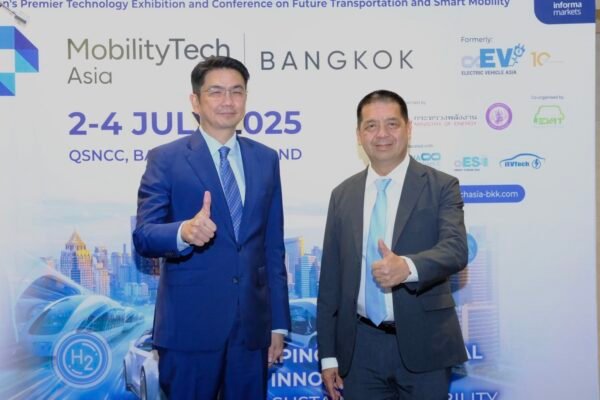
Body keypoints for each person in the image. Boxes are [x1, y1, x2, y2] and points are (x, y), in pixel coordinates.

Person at [132, 56, 290, 400]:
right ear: (195, 101)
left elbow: (272, 247)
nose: (227, 101)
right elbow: (143, 235)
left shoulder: (266, 159)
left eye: (237, 91)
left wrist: (278, 323)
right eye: (216, 92)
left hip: (251, 331)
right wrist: (183, 233)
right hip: (189, 328)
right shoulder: (167, 158)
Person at [316, 90, 468, 400]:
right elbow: (330, 281)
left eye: (392, 124)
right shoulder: (342, 195)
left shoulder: (441, 186)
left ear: (408, 128)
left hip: (426, 344)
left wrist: (407, 268)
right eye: (371, 126)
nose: (382, 134)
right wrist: (328, 356)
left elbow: (455, 249)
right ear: (359, 135)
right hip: (359, 349)